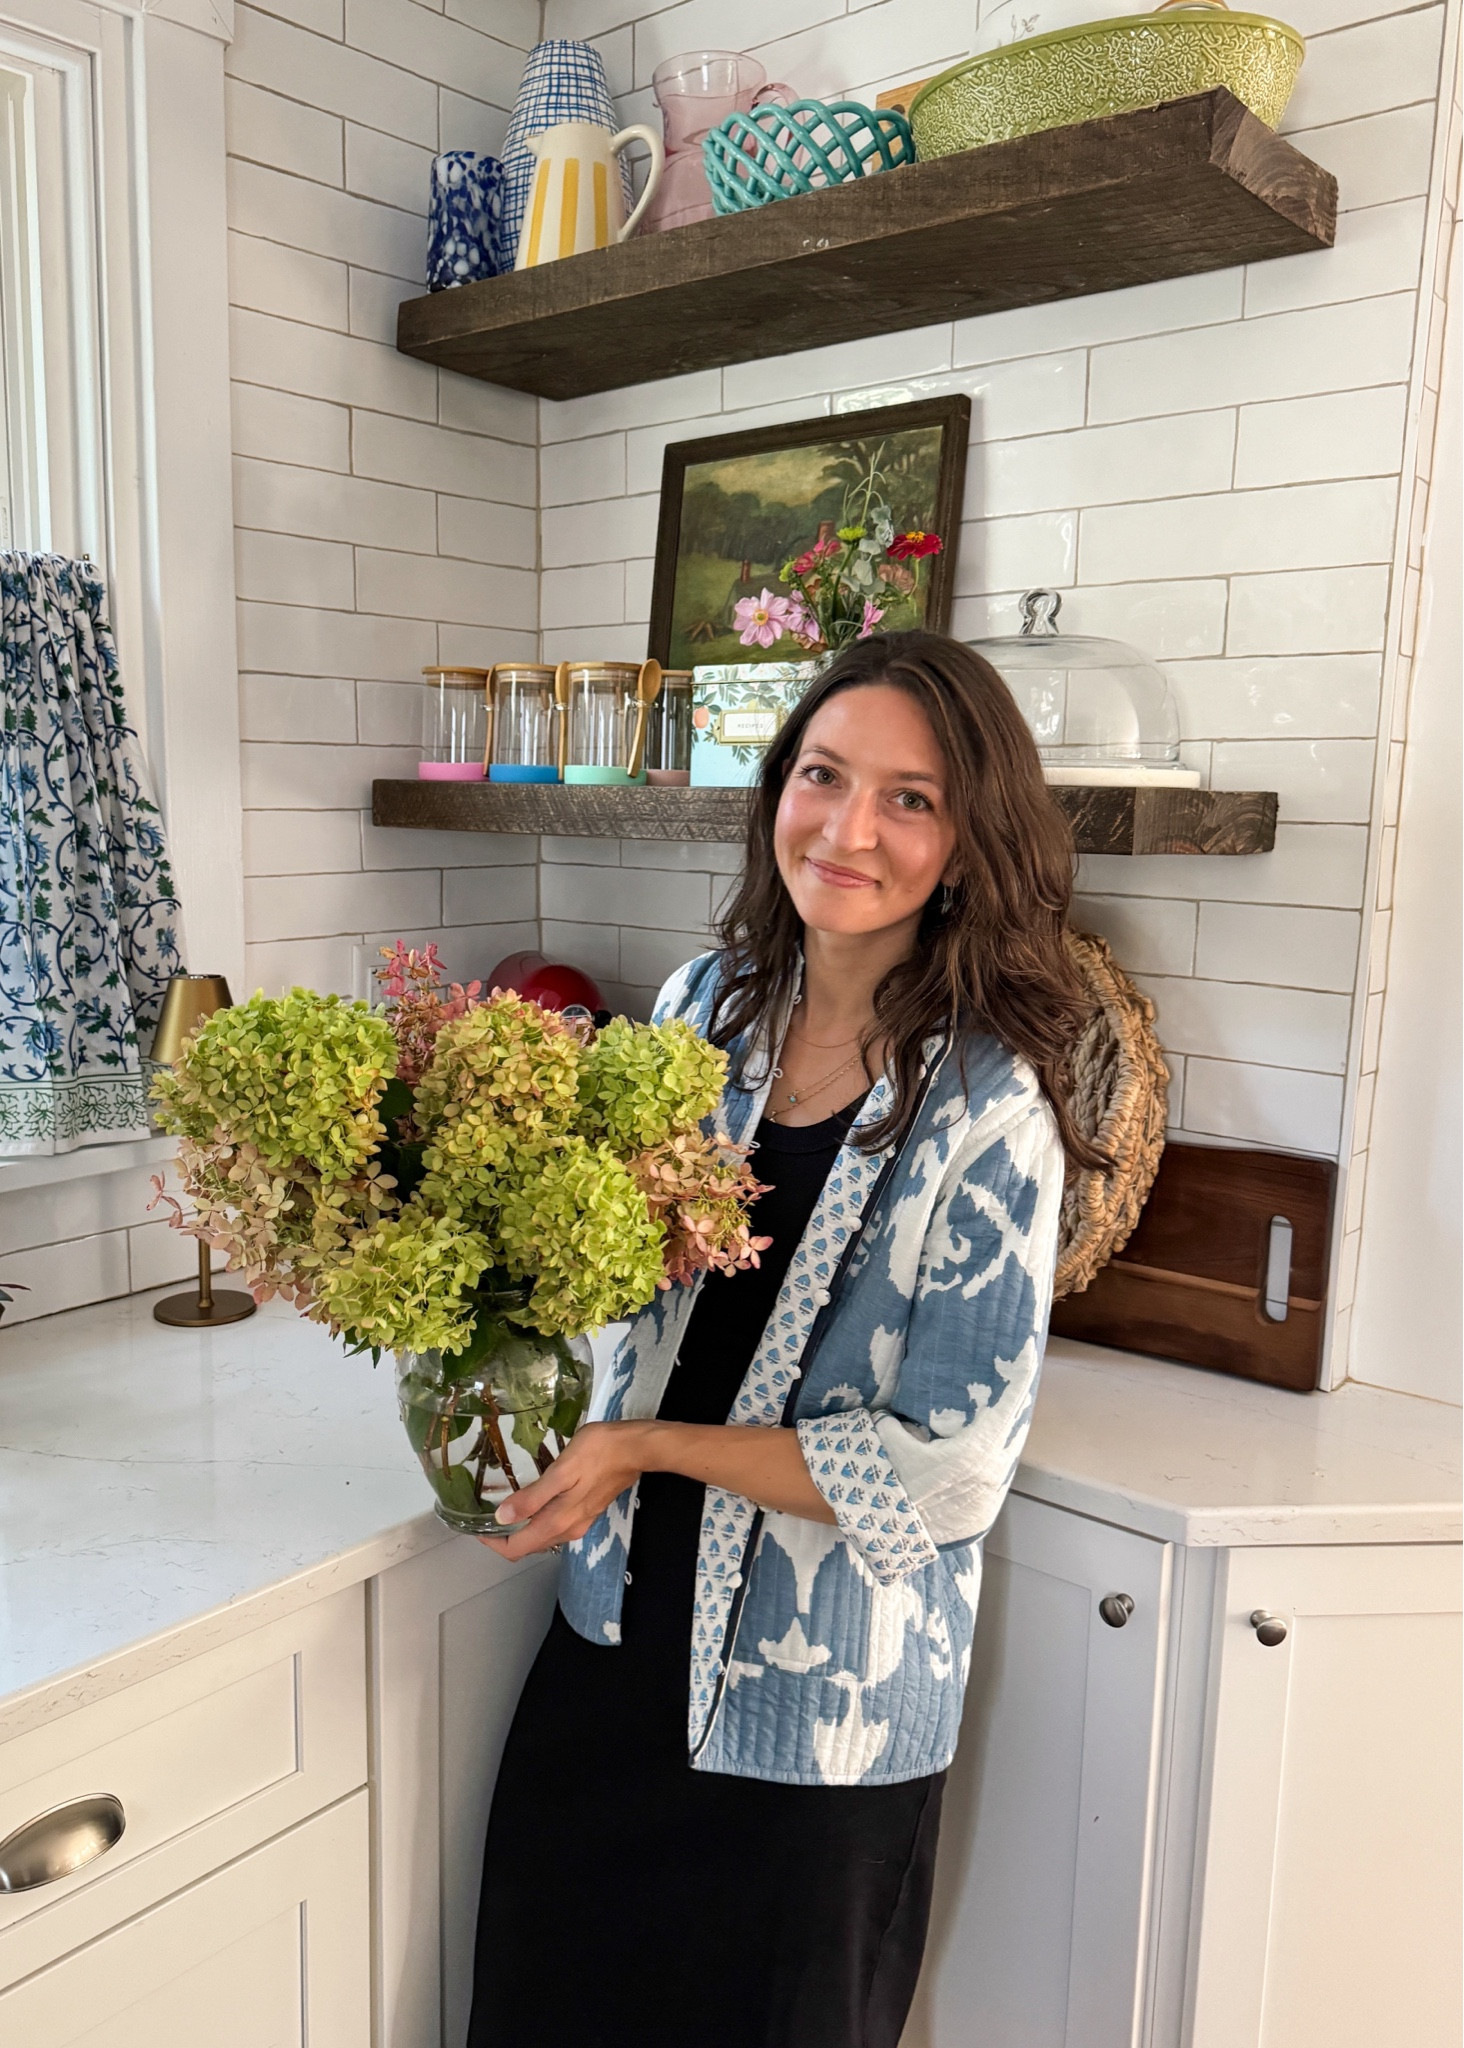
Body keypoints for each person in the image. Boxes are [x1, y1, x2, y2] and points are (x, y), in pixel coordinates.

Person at [467, 630, 1106, 2048]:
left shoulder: (990, 1105)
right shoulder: (703, 1008)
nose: (848, 829)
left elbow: (946, 1473)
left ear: (970, 840)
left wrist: (648, 1446)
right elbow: (616, 1273)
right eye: (824, 775)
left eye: (910, 798)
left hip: (817, 1722)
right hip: (612, 1638)